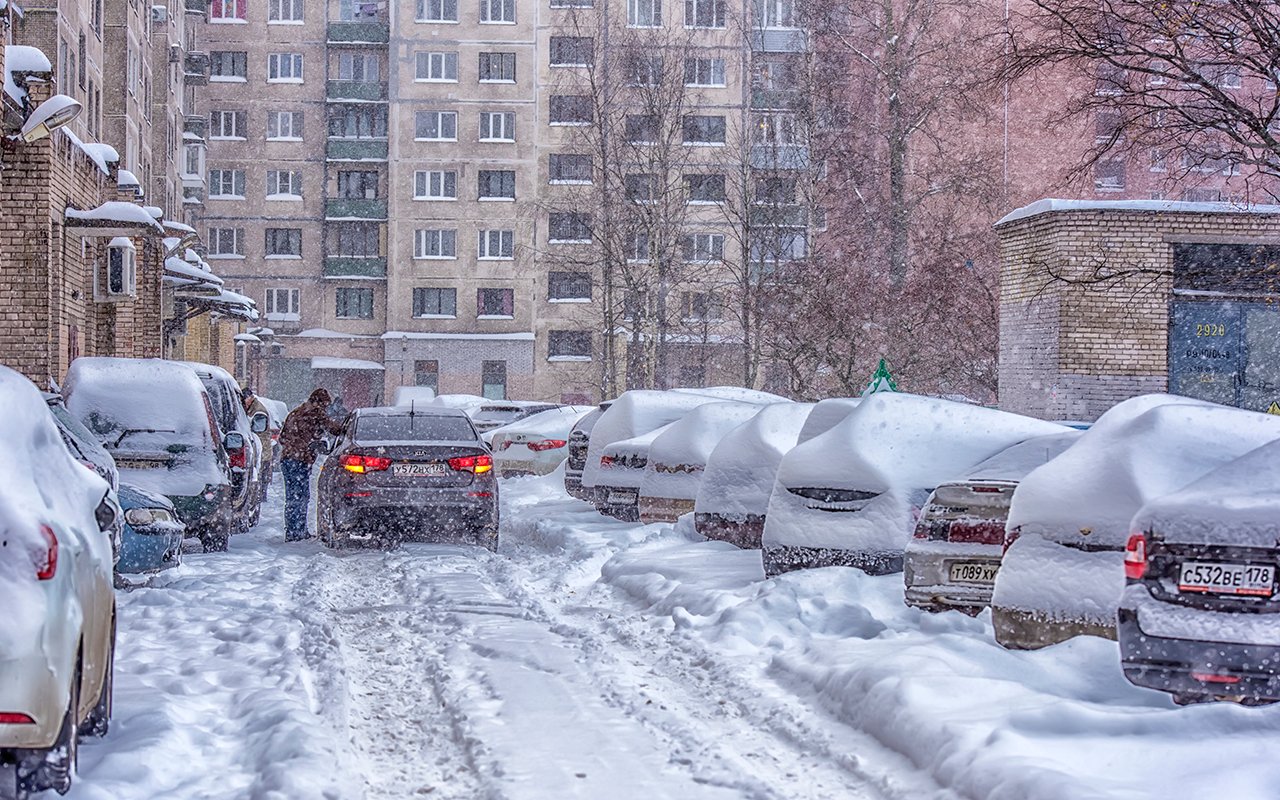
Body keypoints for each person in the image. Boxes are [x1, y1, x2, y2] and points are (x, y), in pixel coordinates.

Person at [279, 388, 344, 541]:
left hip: (287, 459)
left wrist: (294, 446)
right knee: (301, 496)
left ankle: (293, 531)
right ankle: (298, 532)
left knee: (292, 497)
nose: (325, 408)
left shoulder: (296, 412)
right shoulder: (315, 413)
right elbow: (334, 429)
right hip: (299, 460)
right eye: (325, 405)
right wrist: (345, 426)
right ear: (319, 402)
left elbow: (282, 438)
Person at [241, 386, 274, 502]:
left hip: (262, 450)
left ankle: (260, 497)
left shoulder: (258, 411)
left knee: (261, 476)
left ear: (250, 398)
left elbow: (257, 431)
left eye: (244, 399)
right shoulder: (251, 408)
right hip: (259, 449)